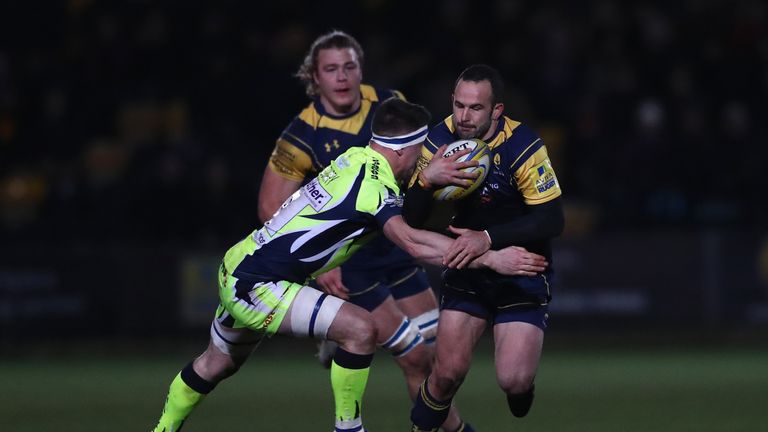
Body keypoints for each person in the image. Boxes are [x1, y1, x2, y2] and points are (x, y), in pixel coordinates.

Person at [150, 98, 549, 432]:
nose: (426, 156)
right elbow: (410, 240)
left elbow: (396, 200)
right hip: (260, 283)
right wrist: (492, 257)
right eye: (422, 150)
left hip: (239, 266)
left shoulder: (357, 158)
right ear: (404, 149)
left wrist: (425, 181)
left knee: (215, 363)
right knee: (361, 329)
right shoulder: (373, 185)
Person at [256, 31, 469, 431]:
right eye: (330, 69)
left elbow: (419, 161)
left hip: (395, 247)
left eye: (349, 67)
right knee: (416, 359)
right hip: (351, 265)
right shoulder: (303, 133)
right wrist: (315, 267)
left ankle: (338, 340)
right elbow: (270, 206)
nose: (341, 77)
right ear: (314, 78)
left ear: (361, 70)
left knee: (443, 359)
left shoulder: (390, 105)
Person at [403, 64, 565, 431]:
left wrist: (487, 238)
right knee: (446, 374)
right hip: (469, 267)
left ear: (496, 110)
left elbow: (553, 220)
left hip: (522, 267)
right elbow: (412, 218)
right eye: (459, 105)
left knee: (513, 381)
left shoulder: (523, 145)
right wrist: (425, 182)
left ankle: (522, 389)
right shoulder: (438, 142)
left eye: (475, 108)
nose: (464, 116)